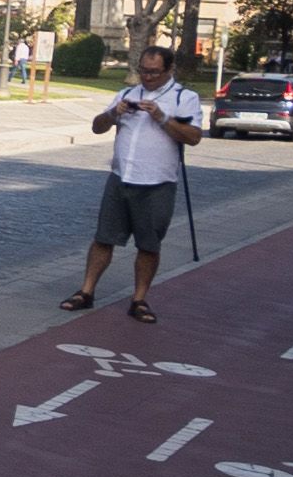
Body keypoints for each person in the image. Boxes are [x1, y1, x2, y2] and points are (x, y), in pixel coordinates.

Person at [62, 43, 203, 323]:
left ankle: (139, 300)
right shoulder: (126, 93)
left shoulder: (184, 98)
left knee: (148, 244)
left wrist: (161, 117)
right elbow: (97, 125)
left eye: (154, 72)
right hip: (121, 177)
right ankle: (86, 291)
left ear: (169, 69)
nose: (147, 77)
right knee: (104, 238)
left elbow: (193, 136)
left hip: (157, 182)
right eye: (143, 71)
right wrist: (115, 113)